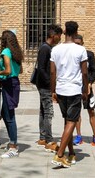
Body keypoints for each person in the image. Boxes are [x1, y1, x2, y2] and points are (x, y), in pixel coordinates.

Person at [50, 20, 89, 169]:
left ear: (65, 32)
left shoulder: (55, 50)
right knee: (72, 121)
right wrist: (85, 90)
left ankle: (71, 152)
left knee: (67, 122)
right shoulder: (81, 50)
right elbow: (84, 72)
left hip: (60, 90)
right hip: (73, 90)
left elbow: (52, 72)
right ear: (76, 32)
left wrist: (53, 90)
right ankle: (60, 155)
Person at [33, 23, 62, 153]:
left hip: (43, 85)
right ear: (53, 35)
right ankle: (49, 140)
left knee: (43, 111)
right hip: (45, 86)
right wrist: (51, 86)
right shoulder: (46, 48)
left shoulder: (46, 47)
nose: (60, 38)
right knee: (48, 112)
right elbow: (42, 69)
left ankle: (43, 137)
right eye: (59, 35)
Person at [73, 34, 95, 148]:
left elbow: (93, 71)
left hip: (87, 87)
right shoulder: (72, 56)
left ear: (82, 43)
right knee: (76, 113)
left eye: (79, 43)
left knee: (91, 111)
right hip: (75, 87)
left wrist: (90, 83)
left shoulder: (89, 55)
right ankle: (78, 136)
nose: (77, 45)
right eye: (75, 43)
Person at [0, 30, 23, 159]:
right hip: (14, 83)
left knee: (9, 116)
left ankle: (13, 146)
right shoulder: (16, 53)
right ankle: (13, 141)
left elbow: (7, 70)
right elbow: (20, 70)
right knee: (5, 114)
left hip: (9, 84)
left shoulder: (6, 52)